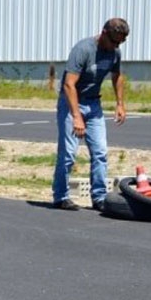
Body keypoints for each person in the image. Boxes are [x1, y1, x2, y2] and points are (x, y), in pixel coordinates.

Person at [52, 18, 129, 211]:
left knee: (100, 152)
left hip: (94, 104)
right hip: (72, 102)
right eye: (114, 41)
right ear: (104, 33)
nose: (116, 46)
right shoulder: (83, 49)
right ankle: (61, 196)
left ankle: (99, 197)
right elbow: (69, 84)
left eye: (120, 43)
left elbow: (117, 76)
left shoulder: (114, 53)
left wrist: (120, 104)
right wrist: (76, 116)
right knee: (68, 153)